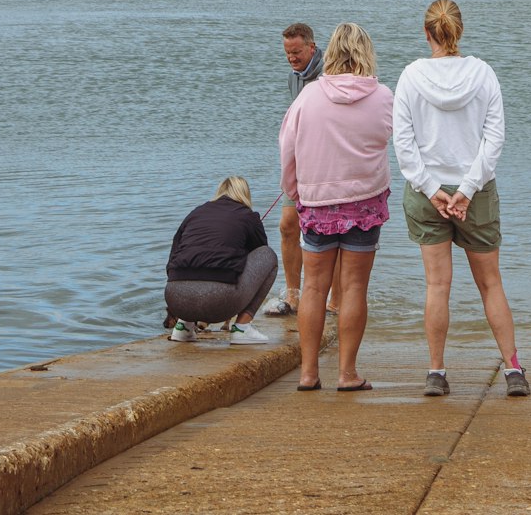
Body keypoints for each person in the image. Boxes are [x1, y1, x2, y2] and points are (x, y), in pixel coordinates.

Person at [393, 0, 530, 399]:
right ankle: (513, 369)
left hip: (426, 194)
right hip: (476, 193)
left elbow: (404, 145)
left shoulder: (410, 76)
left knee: (437, 285)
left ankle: (436, 371)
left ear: (427, 33)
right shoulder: (483, 73)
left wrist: (434, 190)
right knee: (491, 284)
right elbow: (494, 140)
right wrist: (467, 190)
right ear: (459, 31)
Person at [279, 22, 393, 391]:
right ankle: (347, 374)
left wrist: (294, 192)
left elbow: (287, 149)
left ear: (329, 52)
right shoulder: (383, 97)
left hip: (317, 203)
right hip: (364, 203)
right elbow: (397, 140)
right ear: (366, 53)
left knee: (313, 288)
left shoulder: (308, 97)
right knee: (355, 288)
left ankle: (309, 373)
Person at [165, 176, 277, 345]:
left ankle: (184, 327)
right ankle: (242, 328)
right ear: (244, 194)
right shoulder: (248, 215)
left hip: (175, 299)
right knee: (269, 256)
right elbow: (259, 255)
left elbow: (173, 258)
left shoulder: (196, 212)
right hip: (220, 302)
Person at [265, 23, 325, 317]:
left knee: (330, 232)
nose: (292, 58)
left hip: (326, 165)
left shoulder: (329, 73)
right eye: (288, 53)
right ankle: (293, 295)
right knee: (288, 225)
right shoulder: (293, 79)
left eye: (297, 52)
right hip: (299, 164)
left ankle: (333, 302)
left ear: (311, 48)